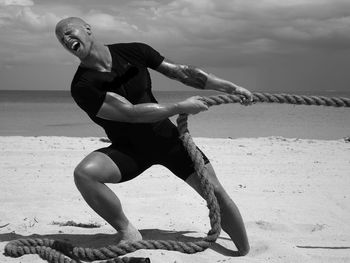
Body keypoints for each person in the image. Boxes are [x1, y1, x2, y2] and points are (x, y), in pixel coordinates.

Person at [55, 17, 253, 256]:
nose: (66, 39)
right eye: (61, 39)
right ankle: (127, 231)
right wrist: (179, 107)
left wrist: (231, 88)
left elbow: (183, 73)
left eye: (68, 32)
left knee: (215, 190)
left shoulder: (134, 51)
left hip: (167, 140)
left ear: (87, 29)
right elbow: (129, 113)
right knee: (85, 174)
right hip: (129, 150)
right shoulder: (83, 85)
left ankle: (245, 250)